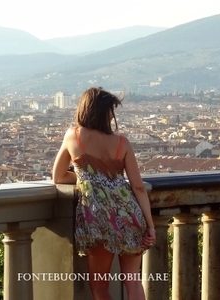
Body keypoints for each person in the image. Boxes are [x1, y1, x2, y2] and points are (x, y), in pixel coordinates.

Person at [52, 87, 156, 300]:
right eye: (110, 110)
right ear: (102, 112)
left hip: (98, 218)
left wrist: (86, 178)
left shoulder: (73, 136)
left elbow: (59, 176)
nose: (112, 115)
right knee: (133, 283)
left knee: (99, 287)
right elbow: (137, 186)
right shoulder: (122, 142)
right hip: (131, 215)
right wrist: (150, 225)